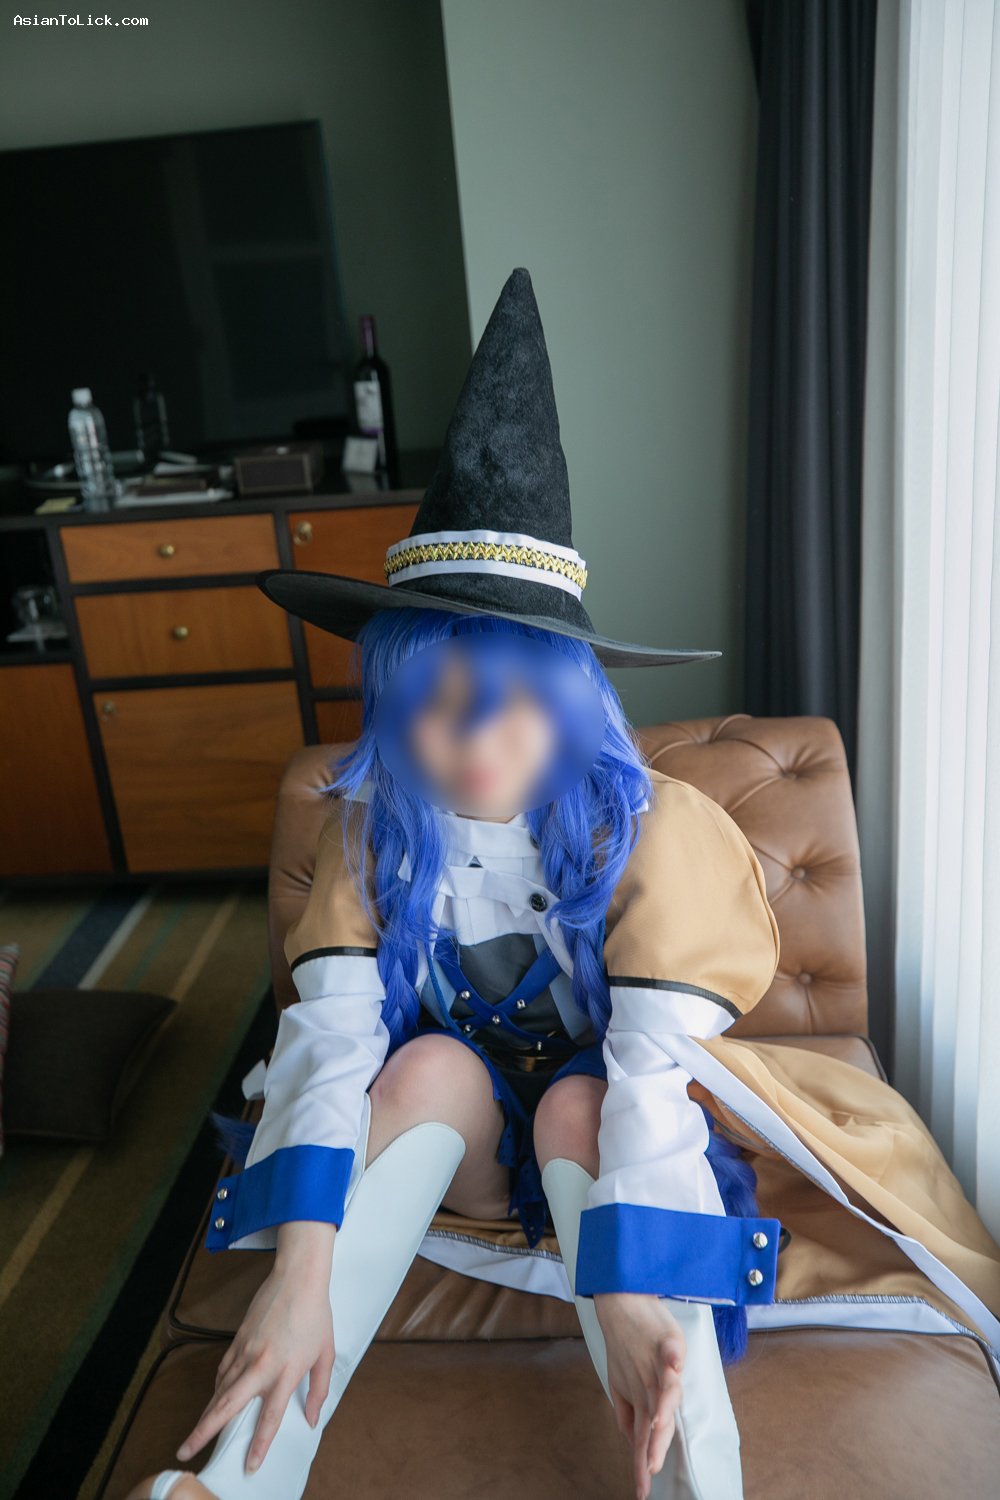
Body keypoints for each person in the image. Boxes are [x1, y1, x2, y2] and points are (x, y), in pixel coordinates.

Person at [131, 269, 1000, 1500]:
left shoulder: (657, 834)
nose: (473, 742)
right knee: (426, 1067)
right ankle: (238, 1478)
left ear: (571, 700)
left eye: (514, 703)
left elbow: (646, 1080)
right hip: (465, 1146)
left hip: (609, 1138)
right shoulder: (369, 834)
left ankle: (695, 1475)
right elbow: (330, 1046)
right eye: (431, 704)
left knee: (579, 1105)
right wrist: (297, 1276)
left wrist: (633, 1291)